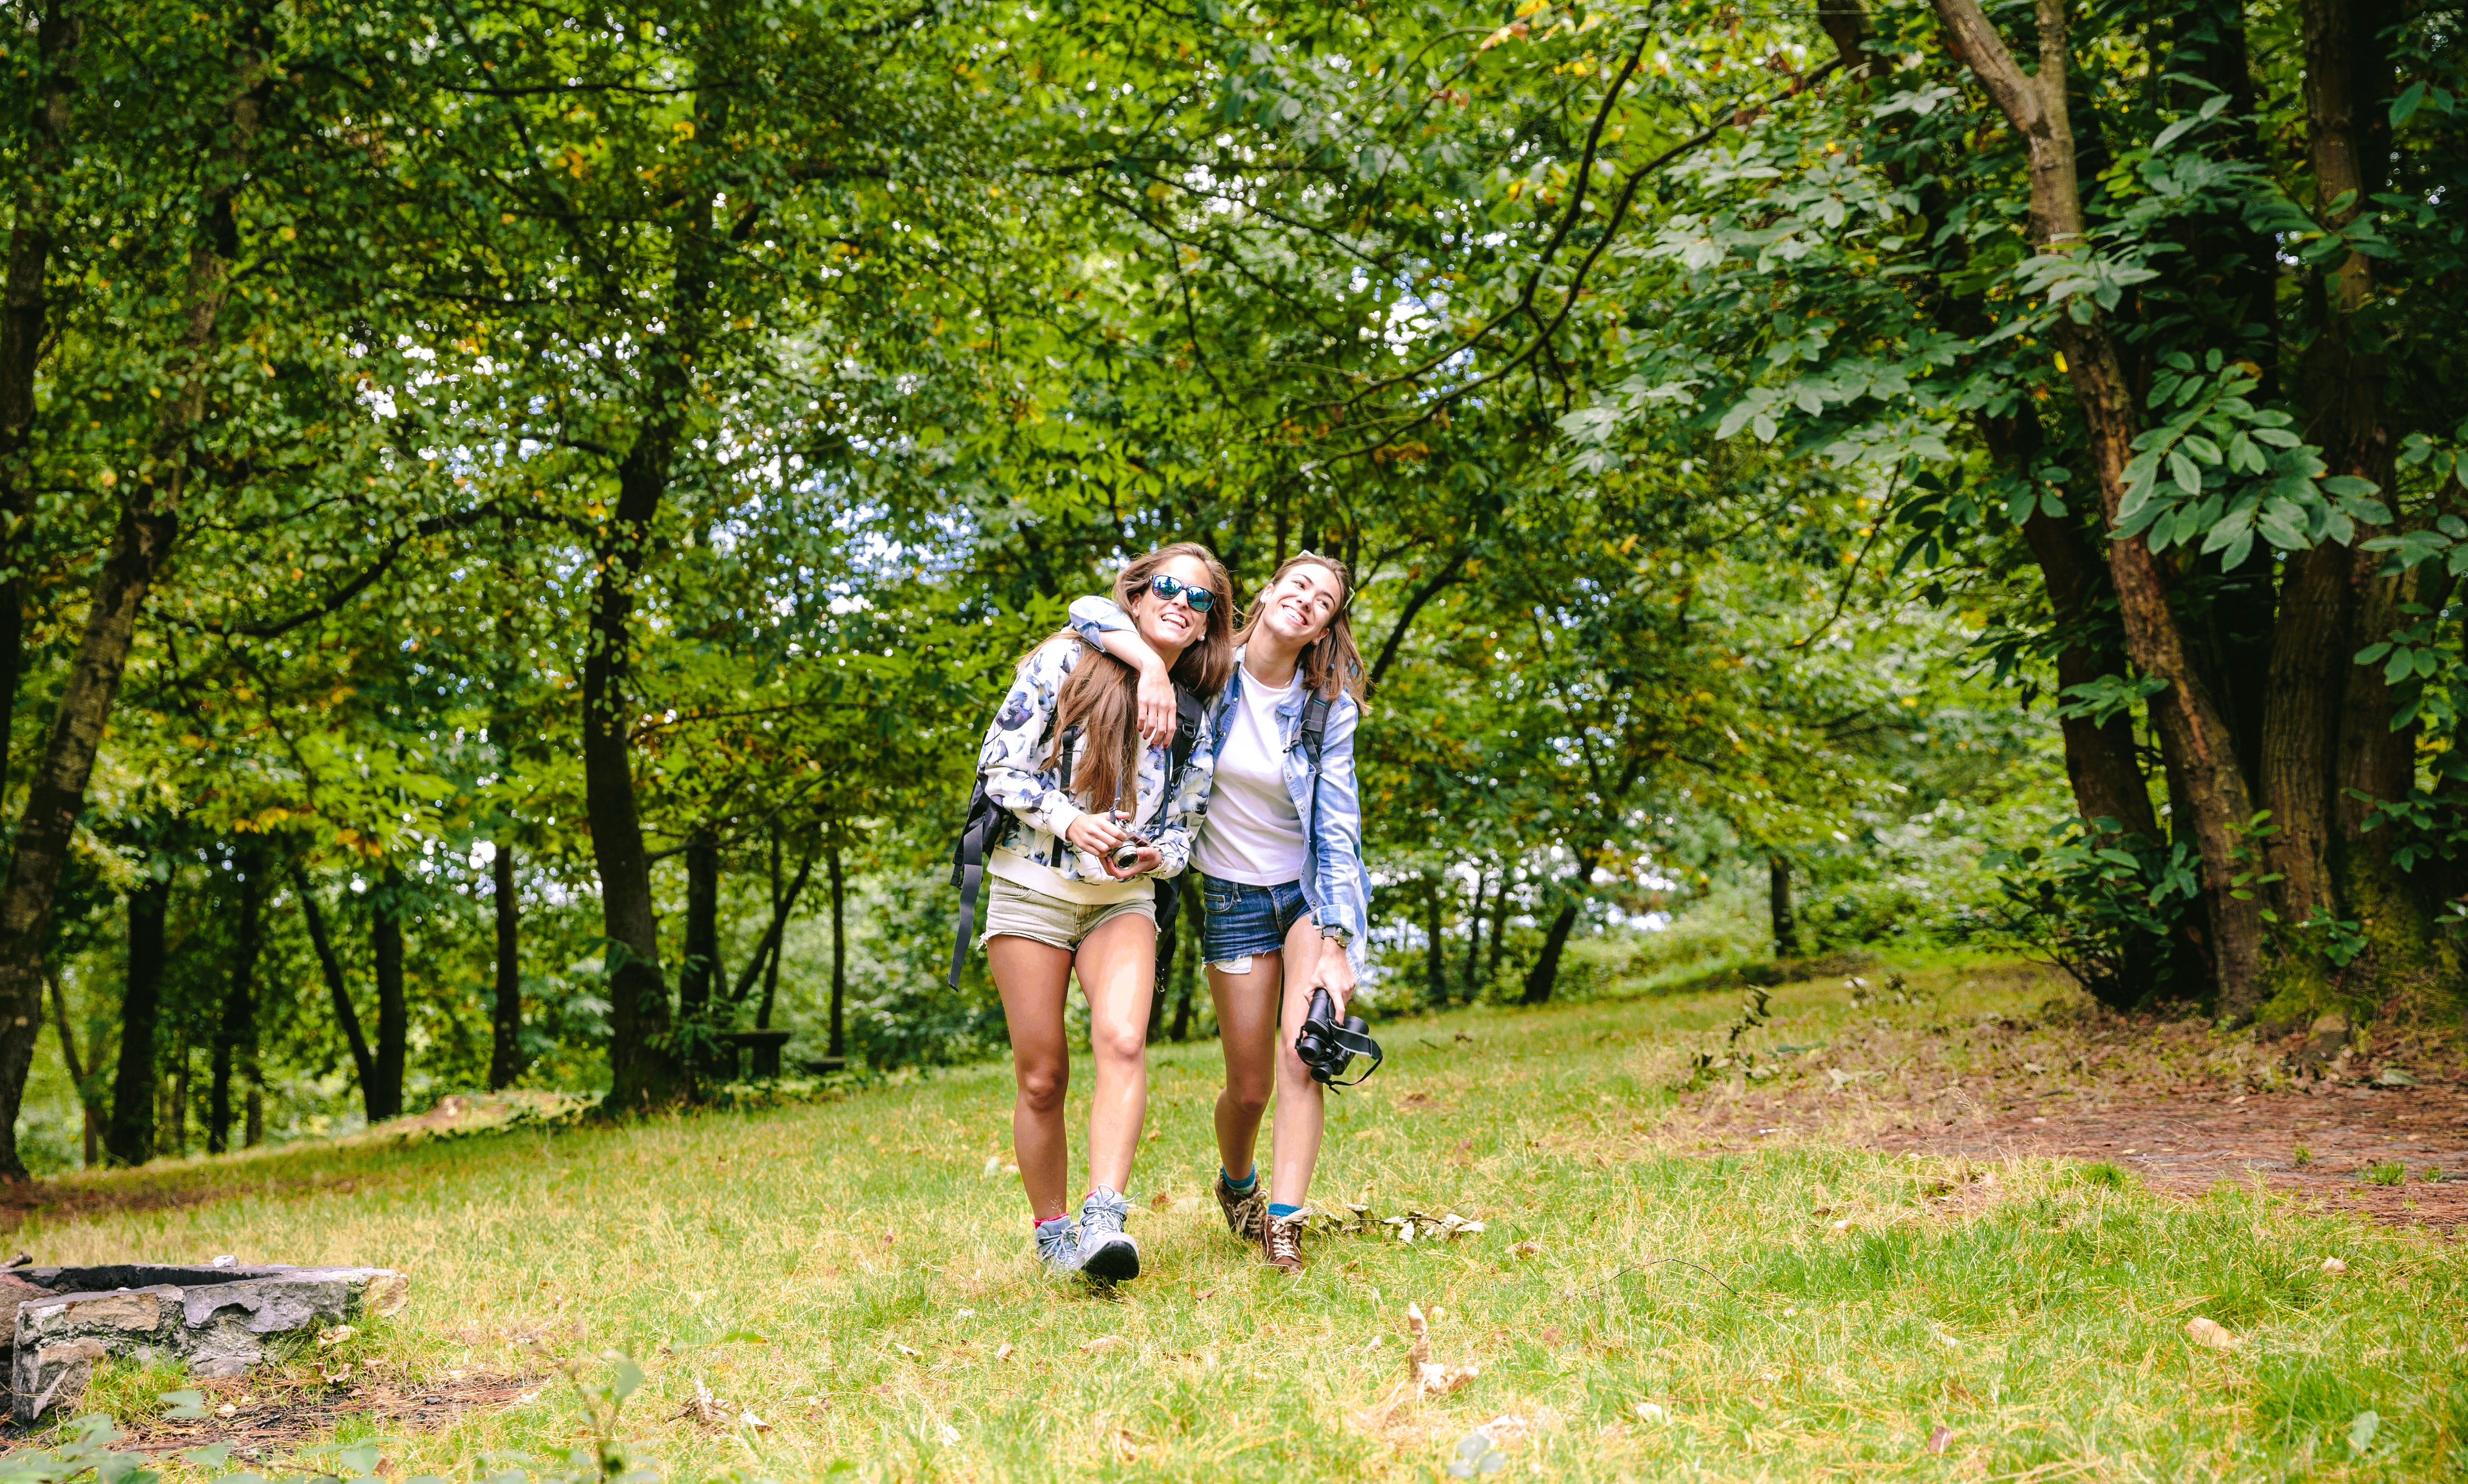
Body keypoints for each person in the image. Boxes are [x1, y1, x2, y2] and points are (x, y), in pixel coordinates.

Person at [1068, 552, 1369, 1273]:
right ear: (1267, 594)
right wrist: (1145, 665)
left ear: (1326, 625)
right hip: (1231, 898)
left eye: (1324, 600)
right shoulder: (1199, 671)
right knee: (1250, 1085)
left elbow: (1338, 828)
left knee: (1304, 1056)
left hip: (1304, 896)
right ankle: (1238, 1185)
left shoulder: (1329, 709)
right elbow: (1089, 611)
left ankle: (1285, 1226)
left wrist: (1337, 940)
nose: (1307, 600)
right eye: (1298, 584)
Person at [975, 543, 1234, 1281]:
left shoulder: (1196, 711)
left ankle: (1104, 1219)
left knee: (1123, 1041)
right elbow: (999, 766)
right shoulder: (1064, 661)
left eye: (1200, 599)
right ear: (1137, 592)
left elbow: (1186, 824)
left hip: (1121, 899)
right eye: (1166, 588)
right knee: (1042, 1077)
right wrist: (1070, 821)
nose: (1180, 603)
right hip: (1031, 888)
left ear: (1208, 623)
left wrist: (1161, 856)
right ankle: (1053, 1230)